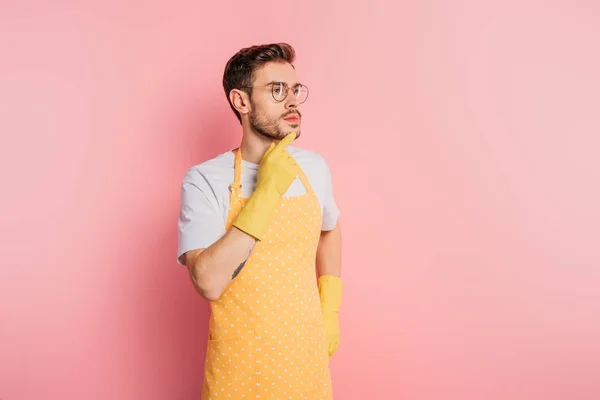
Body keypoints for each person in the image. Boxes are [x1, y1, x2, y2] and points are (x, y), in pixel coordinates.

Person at [177, 42, 343, 400]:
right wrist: (266, 191)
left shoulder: (314, 168)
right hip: (242, 368)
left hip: (306, 362)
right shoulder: (205, 179)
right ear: (241, 102)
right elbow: (207, 280)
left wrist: (329, 309)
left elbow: (330, 229)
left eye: (295, 89)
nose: (293, 101)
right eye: (276, 90)